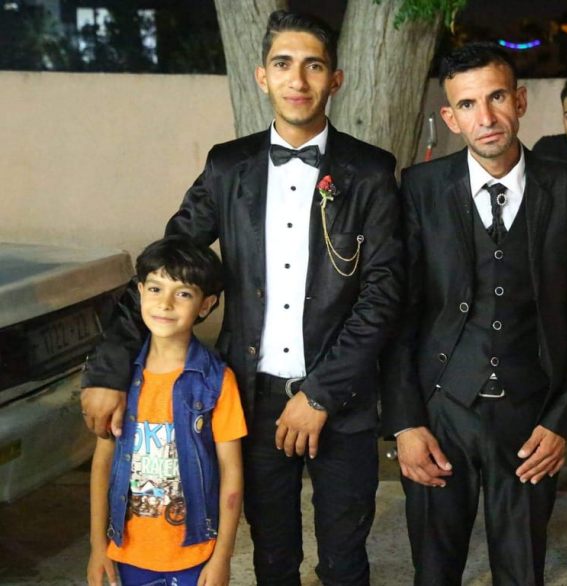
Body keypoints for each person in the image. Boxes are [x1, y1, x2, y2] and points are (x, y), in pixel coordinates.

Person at [80, 10, 403, 586]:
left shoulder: (371, 171)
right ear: (262, 76)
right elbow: (163, 265)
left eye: (313, 66)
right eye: (283, 64)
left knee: (345, 560)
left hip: (342, 398)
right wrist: (108, 368)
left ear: (335, 79)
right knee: (272, 557)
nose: (297, 80)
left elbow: (383, 294)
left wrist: (321, 393)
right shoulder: (228, 167)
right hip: (252, 398)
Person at [383, 42, 567, 585]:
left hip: (532, 418)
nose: (485, 118)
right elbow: (399, 313)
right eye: (468, 104)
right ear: (450, 117)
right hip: (441, 412)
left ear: (520, 101)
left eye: (497, 97)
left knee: (522, 572)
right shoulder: (420, 188)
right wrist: (406, 422)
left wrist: (564, 422)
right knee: (434, 572)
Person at [87, 237, 246, 586]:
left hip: (195, 553)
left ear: (206, 305)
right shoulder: (121, 379)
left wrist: (222, 557)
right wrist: (98, 546)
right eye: (156, 289)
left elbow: (231, 472)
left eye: (183, 293)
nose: (165, 303)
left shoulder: (216, 381)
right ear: (140, 292)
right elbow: (102, 463)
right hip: (126, 552)